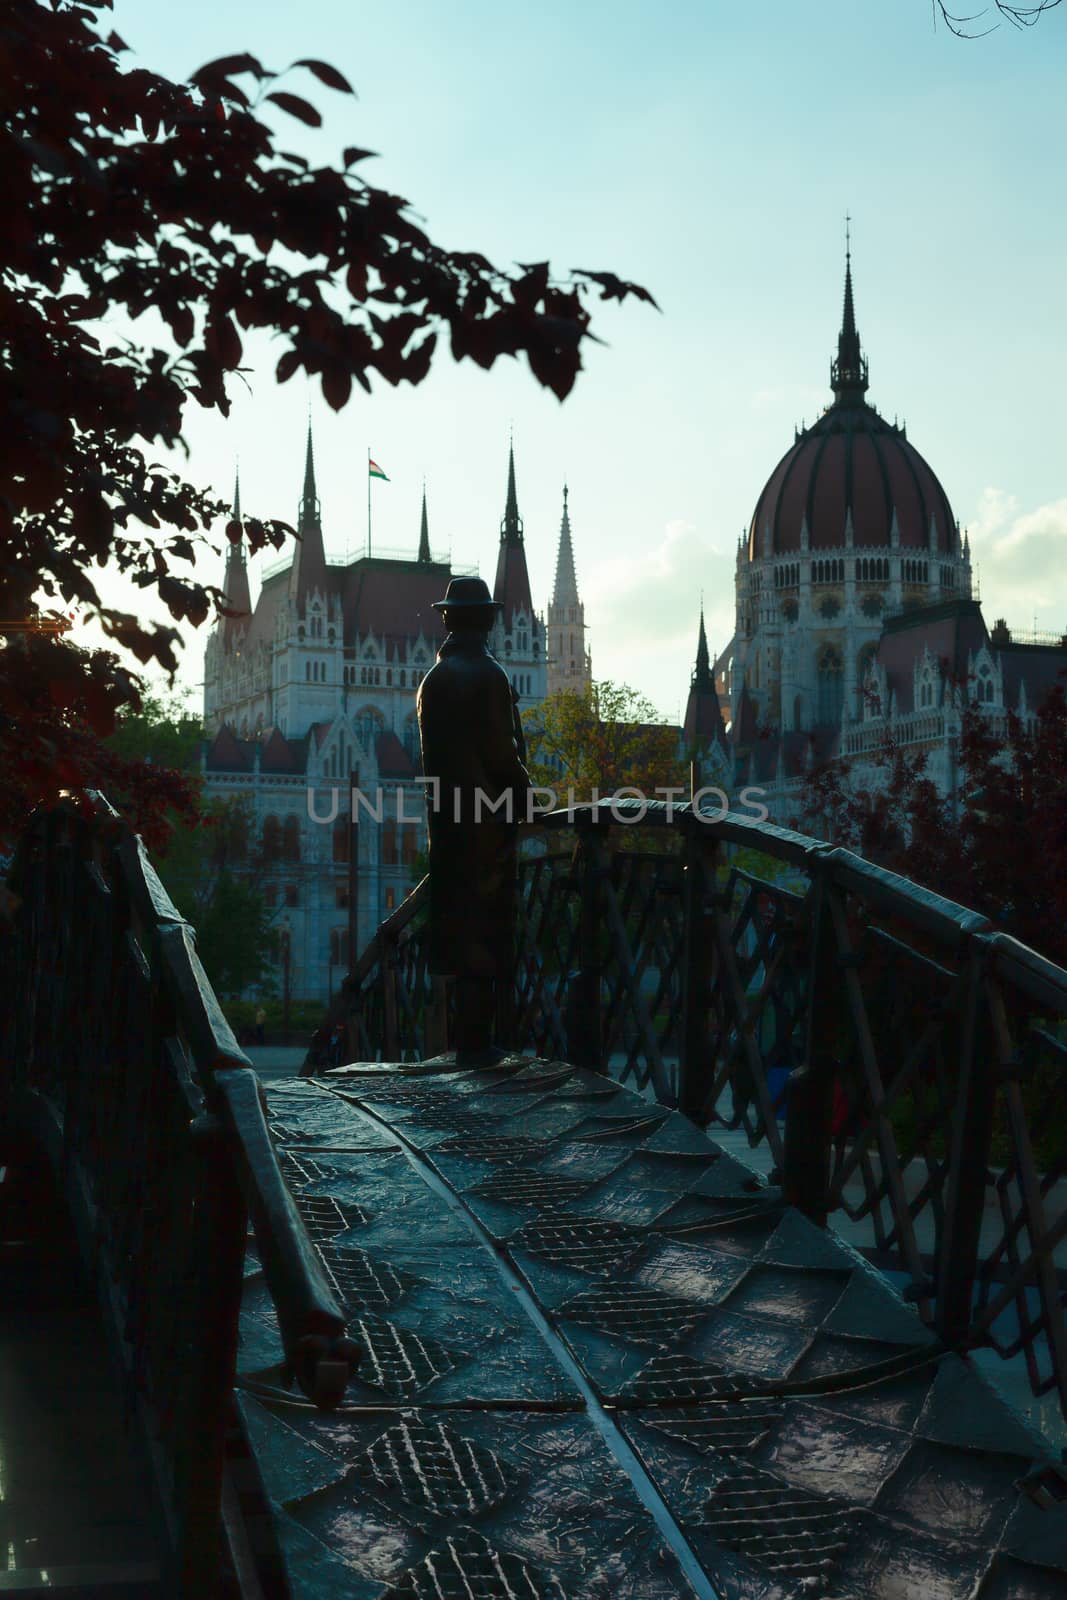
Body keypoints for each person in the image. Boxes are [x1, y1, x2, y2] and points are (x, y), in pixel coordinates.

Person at [417, 576, 531, 1066]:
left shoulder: (433, 680)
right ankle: (477, 1043)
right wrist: (527, 800)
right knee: (485, 926)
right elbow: (502, 757)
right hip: (487, 823)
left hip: (446, 823)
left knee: (458, 926)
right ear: (486, 619)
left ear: (447, 618)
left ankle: (465, 1040)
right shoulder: (489, 675)